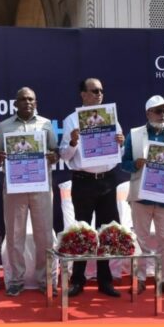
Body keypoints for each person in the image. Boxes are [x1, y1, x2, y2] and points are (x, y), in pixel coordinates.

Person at [59, 78, 124, 298]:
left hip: (107, 180)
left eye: (101, 91)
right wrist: (73, 142)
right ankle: (77, 280)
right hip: (83, 181)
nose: (99, 95)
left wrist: (121, 144)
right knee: (83, 232)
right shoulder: (71, 121)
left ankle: (105, 281)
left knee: (107, 231)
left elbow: (118, 157)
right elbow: (64, 156)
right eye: (94, 91)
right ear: (83, 94)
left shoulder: (110, 118)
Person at [0, 87, 58, 296]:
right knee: (14, 234)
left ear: (36, 103)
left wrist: (52, 157)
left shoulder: (46, 124)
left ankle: (46, 279)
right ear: (16, 103)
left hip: (41, 185)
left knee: (45, 235)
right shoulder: (4, 126)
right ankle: (16, 280)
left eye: (31, 99)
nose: (27, 102)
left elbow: (55, 152)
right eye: (23, 99)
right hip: (15, 186)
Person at [121, 95, 164, 297]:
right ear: (148, 113)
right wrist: (135, 164)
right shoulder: (134, 134)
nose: (162, 115)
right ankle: (139, 279)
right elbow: (124, 163)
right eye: (158, 111)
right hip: (141, 196)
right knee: (142, 241)